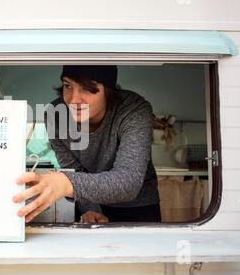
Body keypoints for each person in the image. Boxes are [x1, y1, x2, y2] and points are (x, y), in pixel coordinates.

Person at [13, 65, 161, 223]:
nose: (74, 99)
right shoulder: (55, 115)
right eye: (68, 86)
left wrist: (66, 182)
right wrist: (90, 208)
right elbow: (74, 169)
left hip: (137, 207)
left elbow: (128, 181)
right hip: (87, 202)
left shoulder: (134, 110)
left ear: (108, 91)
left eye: (87, 88)